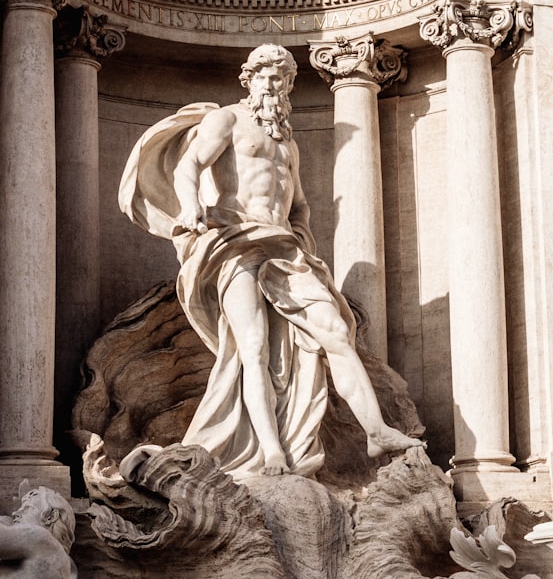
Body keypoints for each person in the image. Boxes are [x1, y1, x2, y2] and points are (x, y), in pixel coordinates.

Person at [120, 44, 423, 479]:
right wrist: (190, 208)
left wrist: (302, 239)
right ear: (249, 79)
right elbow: (189, 165)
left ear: (288, 85)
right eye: (263, 75)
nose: (271, 83)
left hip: (284, 249)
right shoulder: (225, 119)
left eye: (280, 76)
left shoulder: (287, 143)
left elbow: (297, 203)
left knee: (336, 332)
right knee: (254, 349)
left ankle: (376, 431)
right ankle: (270, 450)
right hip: (234, 243)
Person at [0, 482, 76, 578]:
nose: (15, 513)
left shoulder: (43, 540)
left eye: (27, 508)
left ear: (51, 517)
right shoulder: (60, 563)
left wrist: (5, 521)